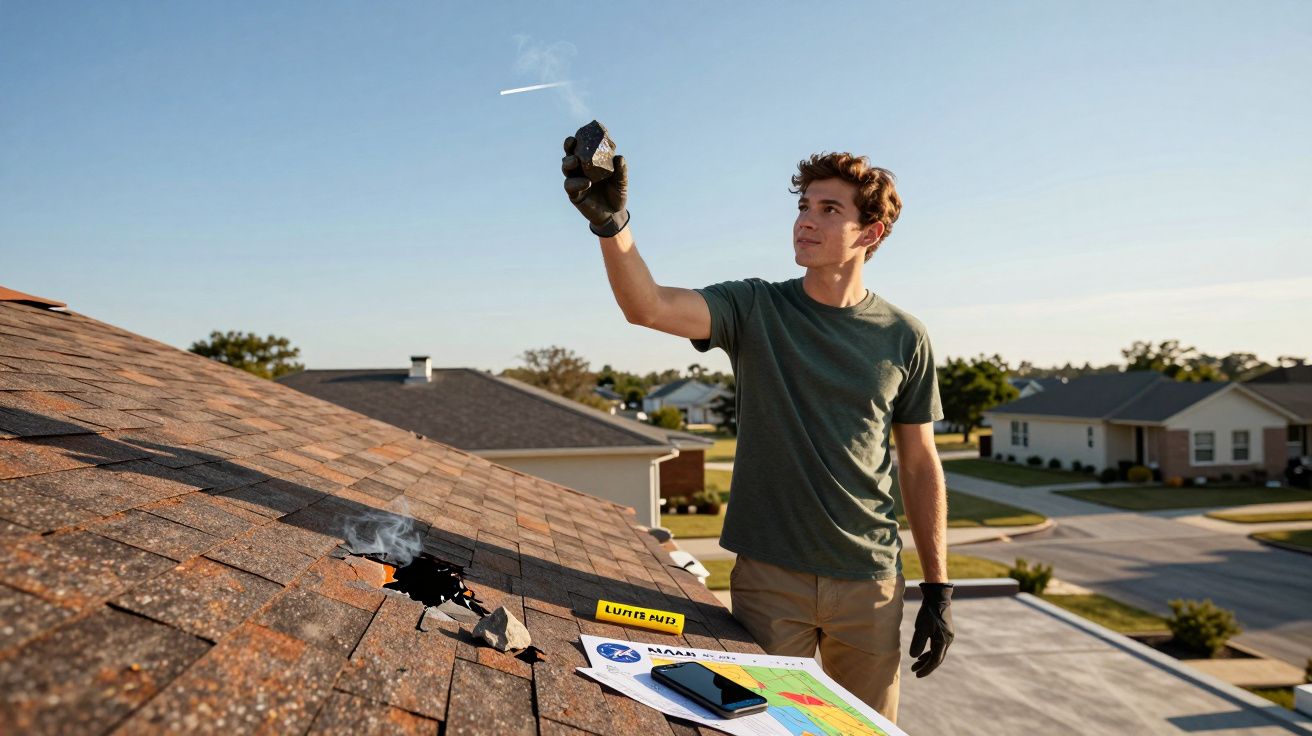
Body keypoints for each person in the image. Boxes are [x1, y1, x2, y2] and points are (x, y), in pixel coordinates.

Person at [560, 128, 953, 724]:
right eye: (803, 206)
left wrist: (939, 587)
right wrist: (613, 225)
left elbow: (920, 463)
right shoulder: (754, 307)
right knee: (757, 726)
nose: (806, 221)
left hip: (869, 583)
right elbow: (648, 306)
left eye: (829, 209)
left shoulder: (905, 337)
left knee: (860, 731)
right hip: (769, 579)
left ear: (870, 233)